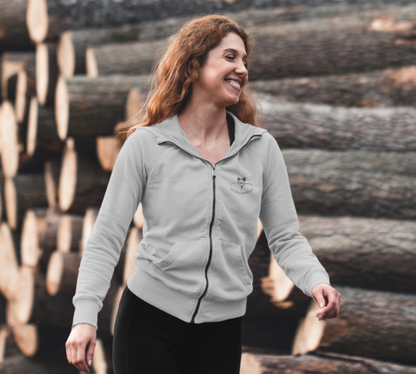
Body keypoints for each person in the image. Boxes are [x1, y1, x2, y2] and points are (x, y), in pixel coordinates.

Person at [65, 14, 341, 374]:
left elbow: (285, 236)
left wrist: (316, 279)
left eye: (244, 61)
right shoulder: (147, 145)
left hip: (221, 331)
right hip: (149, 320)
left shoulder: (260, 149)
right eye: (230, 57)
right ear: (193, 66)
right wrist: (85, 315)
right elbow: (106, 237)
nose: (242, 69)